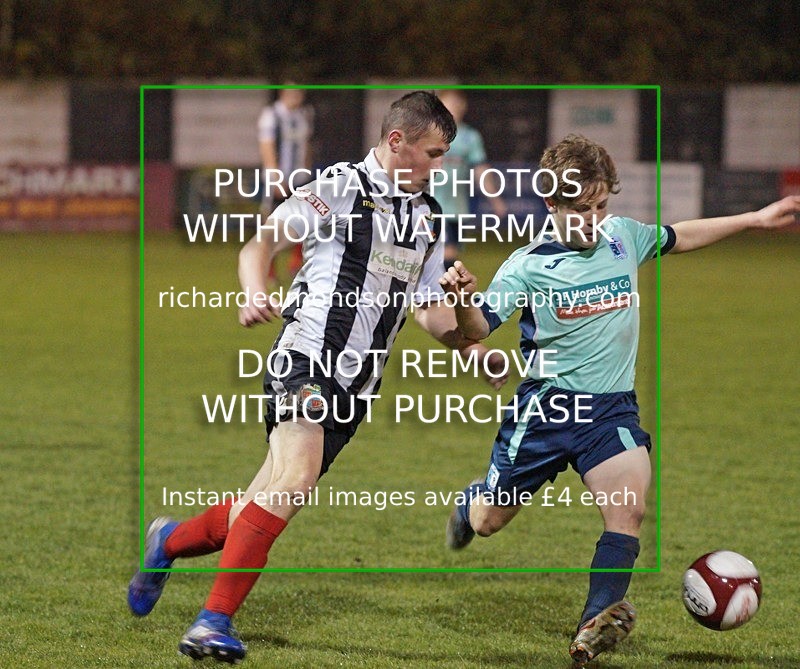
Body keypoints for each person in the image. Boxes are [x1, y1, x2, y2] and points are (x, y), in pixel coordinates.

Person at [128, 91, 507, 664]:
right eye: (433, 152)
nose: (439, 166)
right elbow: (263, 243)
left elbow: (425, 308)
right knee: (296, 479)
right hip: (305, 356)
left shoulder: (428, 219)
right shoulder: (337, 188)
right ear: (397, 141)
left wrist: (470, 346)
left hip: (357, 385)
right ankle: (212, 622)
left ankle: (169, 540)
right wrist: (256, 290)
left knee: (260, 501)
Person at [438, 134, 800, 667]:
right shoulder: (527, 265)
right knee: (492, 520)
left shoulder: (622, 238)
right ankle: (471, 509)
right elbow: (477, 327)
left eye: (602, 205)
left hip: (611, 411)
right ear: (552, 205)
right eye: (581, 209)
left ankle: (592, 628)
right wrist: (464, 299)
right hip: (545, 413)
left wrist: (752, 218)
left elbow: (678, 236)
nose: (593, 218)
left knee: (628, 509)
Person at [435, 89, 507, 269]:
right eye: (448, 104)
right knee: (445, 252)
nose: (452, 109)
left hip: (457, 207)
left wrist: (495, 200)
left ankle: (441, 293)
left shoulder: (470, 137)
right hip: (432, 205)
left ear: (463, 107)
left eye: (456, 104)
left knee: (451, 253)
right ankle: (439, 294)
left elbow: (480, 170)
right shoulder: (430, 133)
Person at [258, 85, 314, 279]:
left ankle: (295, 264)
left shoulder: (303, 115)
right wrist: (275, 178)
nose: (297, 97)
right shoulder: (272, 115)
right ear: (283, 93)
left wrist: (307, 174)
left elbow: (306, 146)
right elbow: (267, 147)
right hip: (278, 179)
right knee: (272, 224)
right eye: (293, 93)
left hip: (300, 180)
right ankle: (268, 270)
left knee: (303, 221)